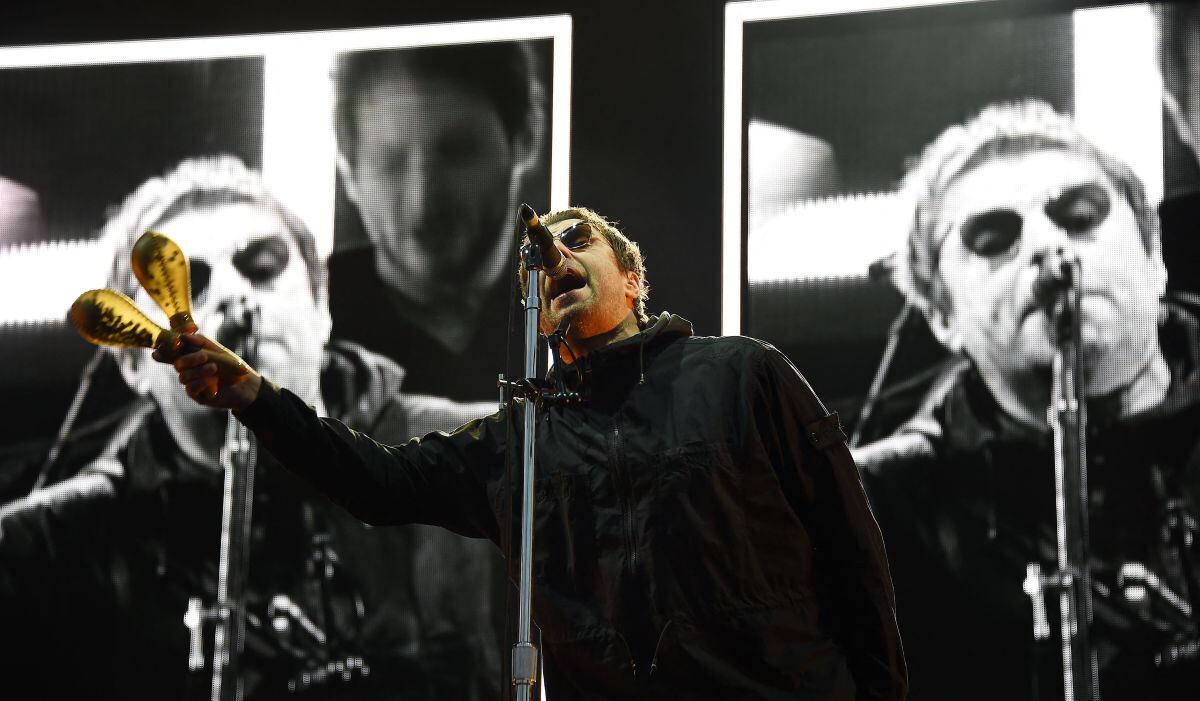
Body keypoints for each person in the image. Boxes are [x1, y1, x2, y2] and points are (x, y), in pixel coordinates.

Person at [162, 205, 908, 700]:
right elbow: (376, 481)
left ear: (634, 277)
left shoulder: (745, 372)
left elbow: (854, 549)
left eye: (579, 238)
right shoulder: (518, 439)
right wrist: (254, 395)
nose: (554, 254)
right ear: (537, 312)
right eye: (540, 256)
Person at [0, 155, 506, 700]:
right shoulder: (42, 550)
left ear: (321, 308)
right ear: (129, 361)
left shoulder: (484, 456)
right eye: (189, 284)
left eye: (262, 264)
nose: (232, 295)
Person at [855, 100, 1200, 699]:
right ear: (942, 316)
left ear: (1155, 260)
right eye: (993, 238)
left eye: (1080, 214)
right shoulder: (877, 513)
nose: (1047, 246)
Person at [330, 41, 544, 400]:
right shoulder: (298, 314)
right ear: (349, 172)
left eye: (458, 152)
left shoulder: (579, 311)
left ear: (525, 139)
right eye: (390, 161)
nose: (422, 203)